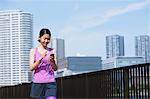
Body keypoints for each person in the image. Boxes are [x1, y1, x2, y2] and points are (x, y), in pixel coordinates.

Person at [30, 28, 57, 99]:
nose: (46, 41)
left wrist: (52, 61)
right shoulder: (33, 51)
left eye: (48, 39)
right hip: (38, 83)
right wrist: (40, 58)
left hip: (50, 82)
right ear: (39, 38)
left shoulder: (52, 51)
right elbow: (31, 68)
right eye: (44, 38)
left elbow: (55, 68)